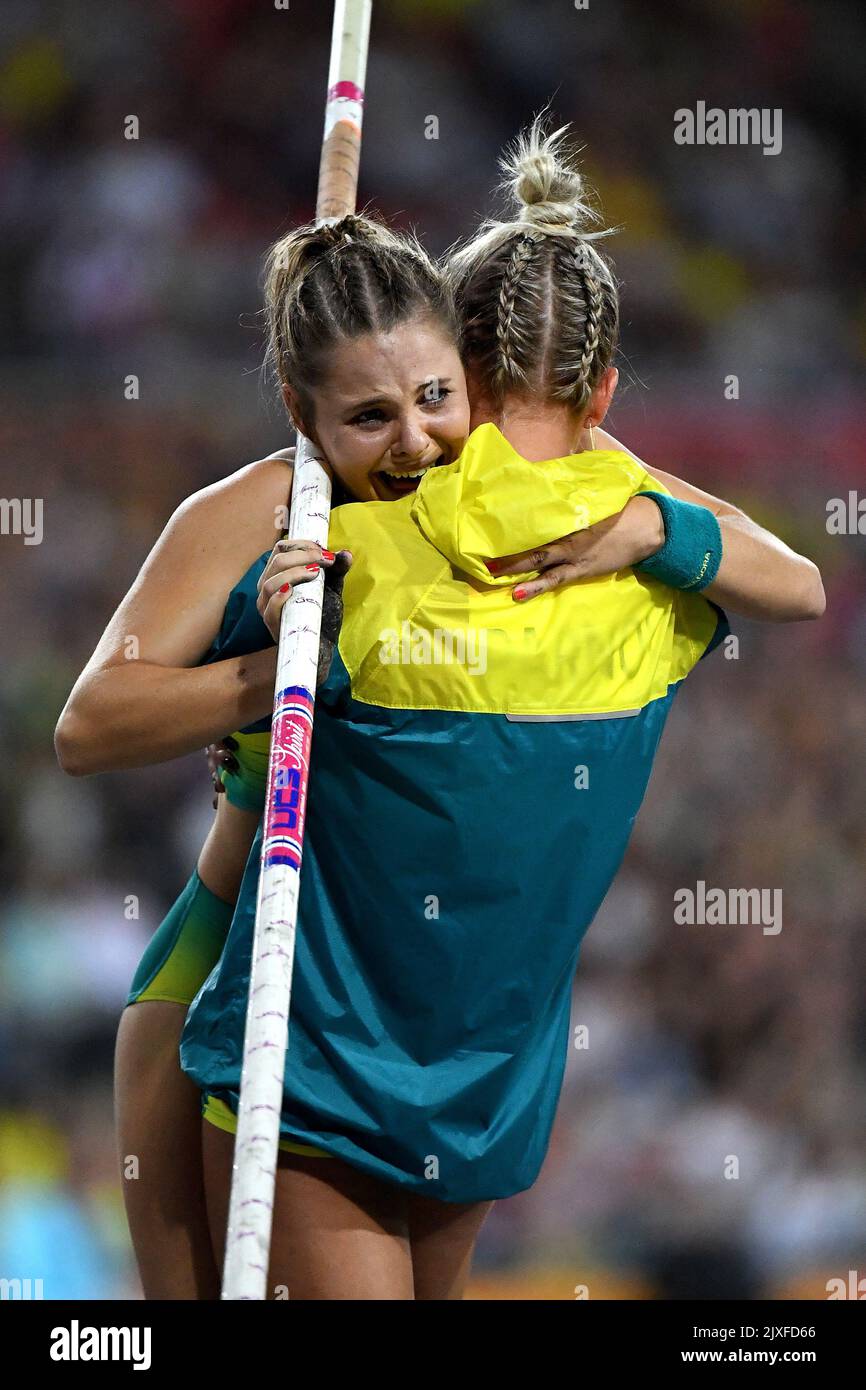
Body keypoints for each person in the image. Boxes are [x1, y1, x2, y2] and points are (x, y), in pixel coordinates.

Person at [176, 120, 825, 1300]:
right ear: (609, 391)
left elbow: (97, 721)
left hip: (403, 1076)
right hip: (382, 1081)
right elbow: (799, 580)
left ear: (452, 378)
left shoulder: (335, 527)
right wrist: (649, 524)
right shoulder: (658, 557)